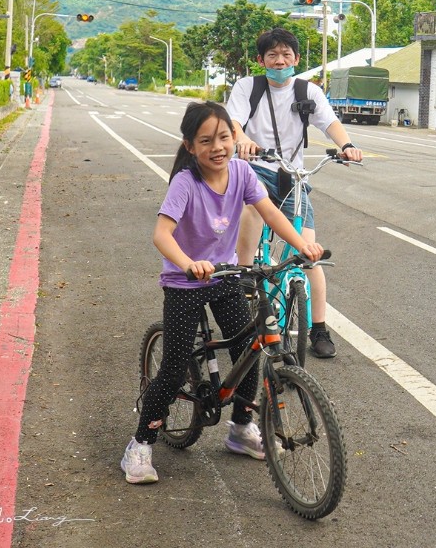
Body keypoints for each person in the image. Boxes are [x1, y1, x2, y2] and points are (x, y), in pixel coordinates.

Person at [121, 101, 323, 485]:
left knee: (251, 348)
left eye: (225, 137)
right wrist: (188, 264)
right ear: (190, 145)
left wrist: (302, 245)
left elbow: (271, 213)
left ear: (235, 138)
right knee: (175, 365)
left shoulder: (242, 172)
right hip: (185, 282)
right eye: (206, 140)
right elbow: (161, 234)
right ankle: (141, 443)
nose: (218, 147)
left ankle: (241, 426)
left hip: (226, 275)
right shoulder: (185, 181)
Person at [227, 27, 362, 359]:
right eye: (272, 55)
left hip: (293, 177)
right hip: (255, 168)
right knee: (253, 209)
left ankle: (318, 329)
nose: (280, 60)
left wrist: (345, 145)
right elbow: (233, 121)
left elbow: (330, 123)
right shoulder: (248, 87)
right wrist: (241, 140)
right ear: (261, 60)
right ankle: (245, 274)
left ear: (297, 59)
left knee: (308, 251)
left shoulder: (309, 91)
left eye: (286, 54)